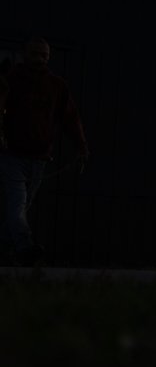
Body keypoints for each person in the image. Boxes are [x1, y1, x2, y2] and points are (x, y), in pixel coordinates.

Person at [0, 37, 88, 265]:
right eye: (35, 54)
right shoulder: (11, 80)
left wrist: (81, 146)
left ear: (49, 57)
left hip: (39, 158)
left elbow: (70, 118)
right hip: (12, 155)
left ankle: (7, 249)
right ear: (25, 55)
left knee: (21, 206)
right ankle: (25, 247)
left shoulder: (57, 86)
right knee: (18, 203)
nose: (40, 59)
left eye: (44, 55)